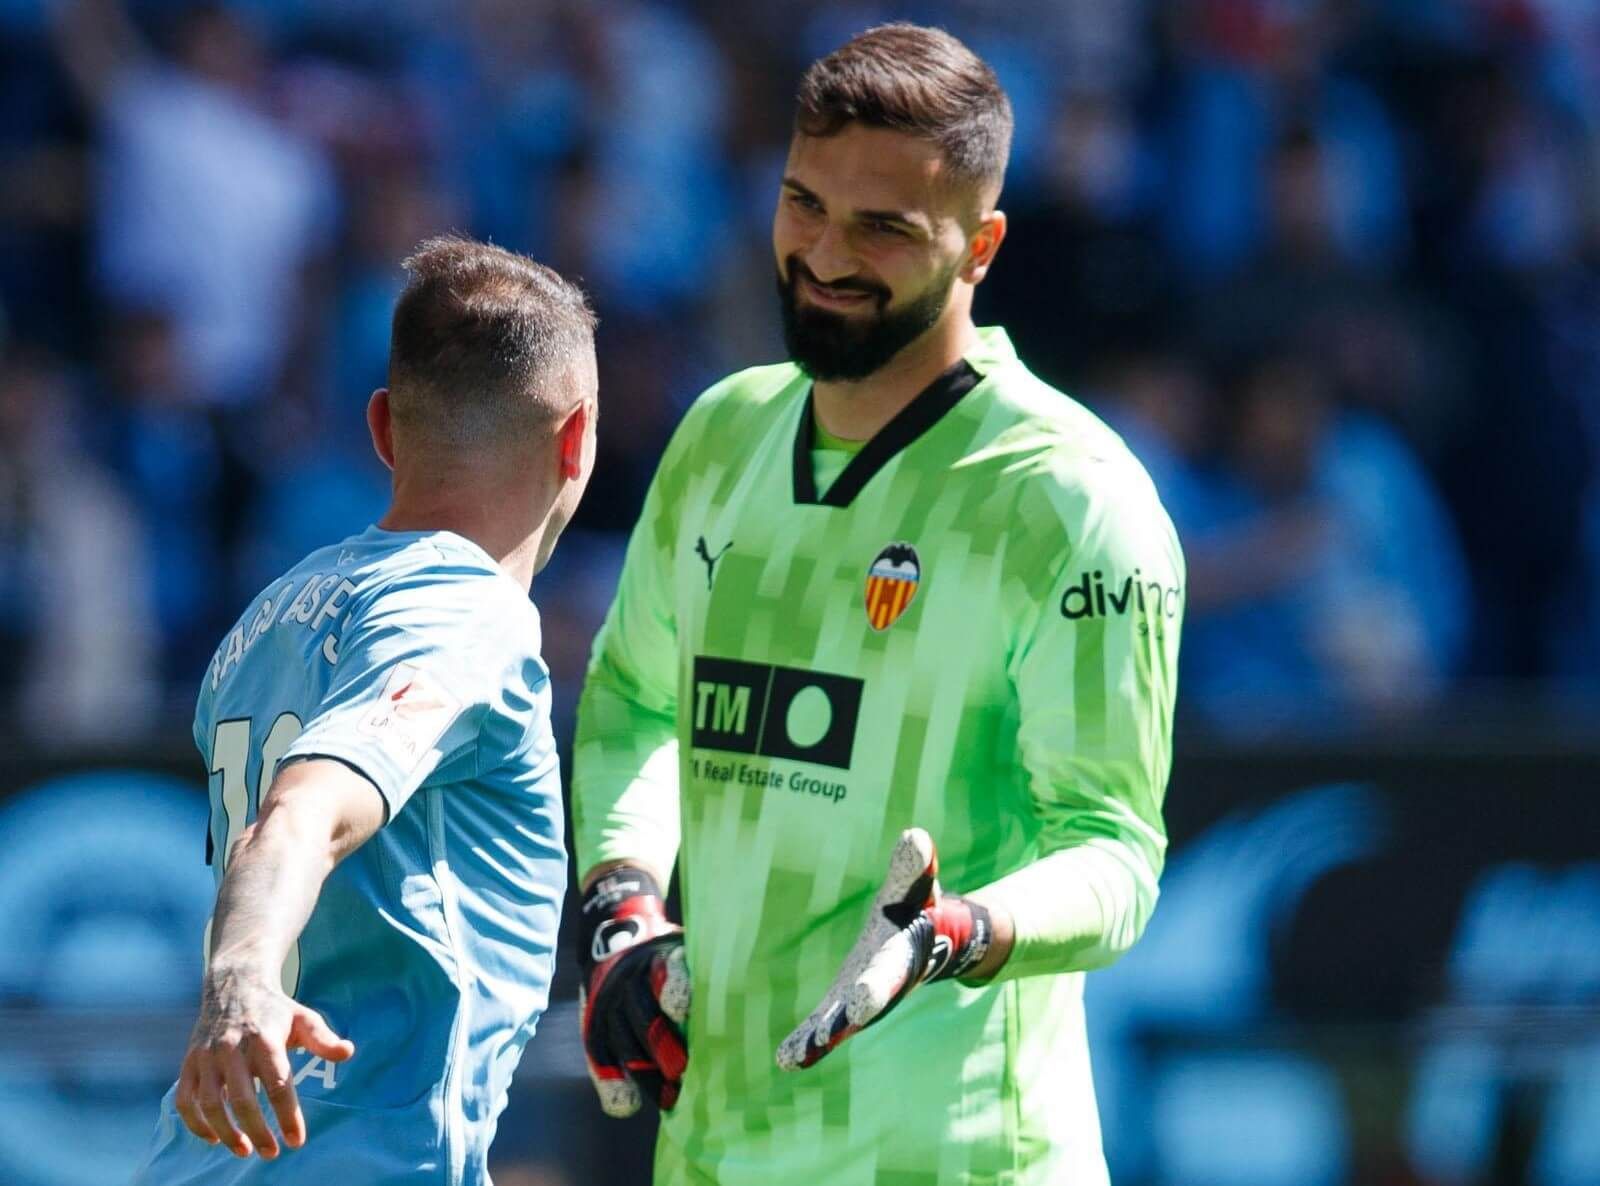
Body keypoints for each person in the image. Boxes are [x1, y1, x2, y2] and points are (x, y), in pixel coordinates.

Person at [571, 23, 1183, 1186]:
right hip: (711, 1157)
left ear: (981, 246)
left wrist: (959, 935)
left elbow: (1114, 855)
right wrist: (625, 907)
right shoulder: (720, 436)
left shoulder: (1069, 497)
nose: (824, 253)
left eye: (883, 228)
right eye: (803, 204)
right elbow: (636, 704)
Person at [132, 235, 598, 1184]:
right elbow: (304, 808)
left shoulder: (267, 617)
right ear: (577, 438)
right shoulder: (468, 613)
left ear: (383, 429)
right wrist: (242, 979)